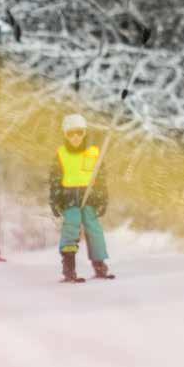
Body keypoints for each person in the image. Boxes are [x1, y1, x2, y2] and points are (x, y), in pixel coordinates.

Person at [50, 113, 112, 281]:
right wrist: (55, 201)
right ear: (65, 135)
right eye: (71, 133)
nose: (75, 137)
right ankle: (69, 266)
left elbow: (100, 178)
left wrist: (102, 198)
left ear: (85, 133)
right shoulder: (61, 155)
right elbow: (55, 180)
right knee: (72, 226)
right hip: (69, 199)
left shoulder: (92, 154)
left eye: (79, 132)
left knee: (94, 228)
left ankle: (99, 264)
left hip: (89, 197)